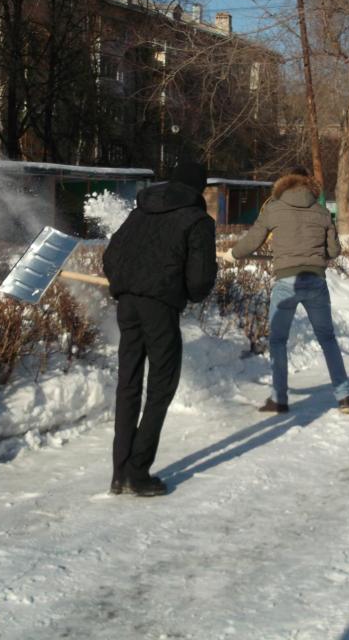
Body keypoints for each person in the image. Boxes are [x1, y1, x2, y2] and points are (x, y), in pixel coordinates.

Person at [102, 161, 218, 496]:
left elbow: (111, 258)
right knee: (161, 385)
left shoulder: (139, 211)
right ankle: (138, 473)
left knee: (128, 384)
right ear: (199, 189)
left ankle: (119, 471)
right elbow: (199, 281)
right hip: (160, 308)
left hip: (127, 304)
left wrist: (125, 286)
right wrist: (184, 290)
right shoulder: (197, 221)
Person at [222, 167, 349, 415]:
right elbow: (334, 251)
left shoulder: (274, 208)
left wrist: (233, 253)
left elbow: (253, 240)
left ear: (286, 184)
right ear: (309, 185)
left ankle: (279, 399)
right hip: (315, 281)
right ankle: (344, 396)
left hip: (286, 282)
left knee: (278, 340)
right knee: (327, 339)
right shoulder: (322, 211)